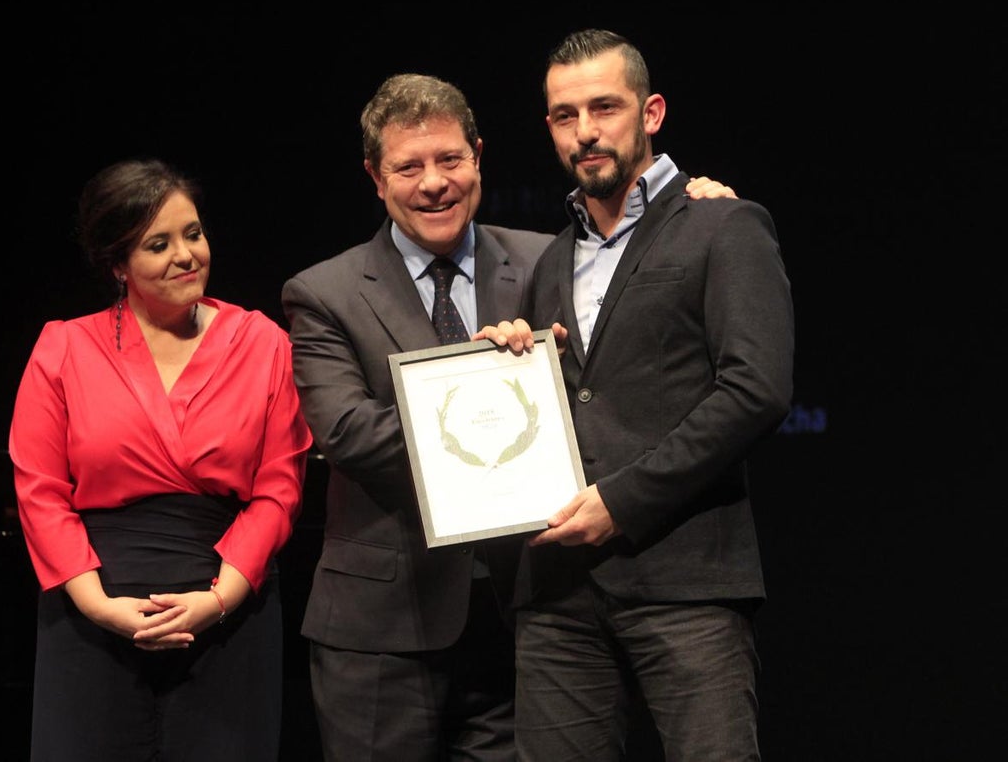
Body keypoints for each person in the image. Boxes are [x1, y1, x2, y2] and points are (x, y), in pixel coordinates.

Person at [281, 72, 735, 760]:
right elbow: (348, 433)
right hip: (383, 627)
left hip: (530, 614)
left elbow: (610, 373)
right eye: (409, 166)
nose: (434, 182)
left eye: (450, 160)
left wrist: (696, 209)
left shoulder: (547, 257)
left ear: (479, 157)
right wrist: (482, 394)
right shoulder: (324, 291)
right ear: (376, 177)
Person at [480, 29, 795, 760]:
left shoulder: (722, 223)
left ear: (650, 113)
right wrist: (511, 368)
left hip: (686, 580)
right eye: (565, 115)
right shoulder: (551, 258)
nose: (585, 132)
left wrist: (622, 501)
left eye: (604, 107)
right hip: (558, 592)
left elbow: (756, 389)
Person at [8, 158, 312, 761]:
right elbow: (40, 489)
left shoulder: (263, 344)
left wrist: (219, 599)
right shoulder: (63, 347)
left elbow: (279, 485)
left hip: (228, 615)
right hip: (93, 616)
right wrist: (98, 606)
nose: (186, 255)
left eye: (193, 234)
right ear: (118, 265)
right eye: (159, 244)